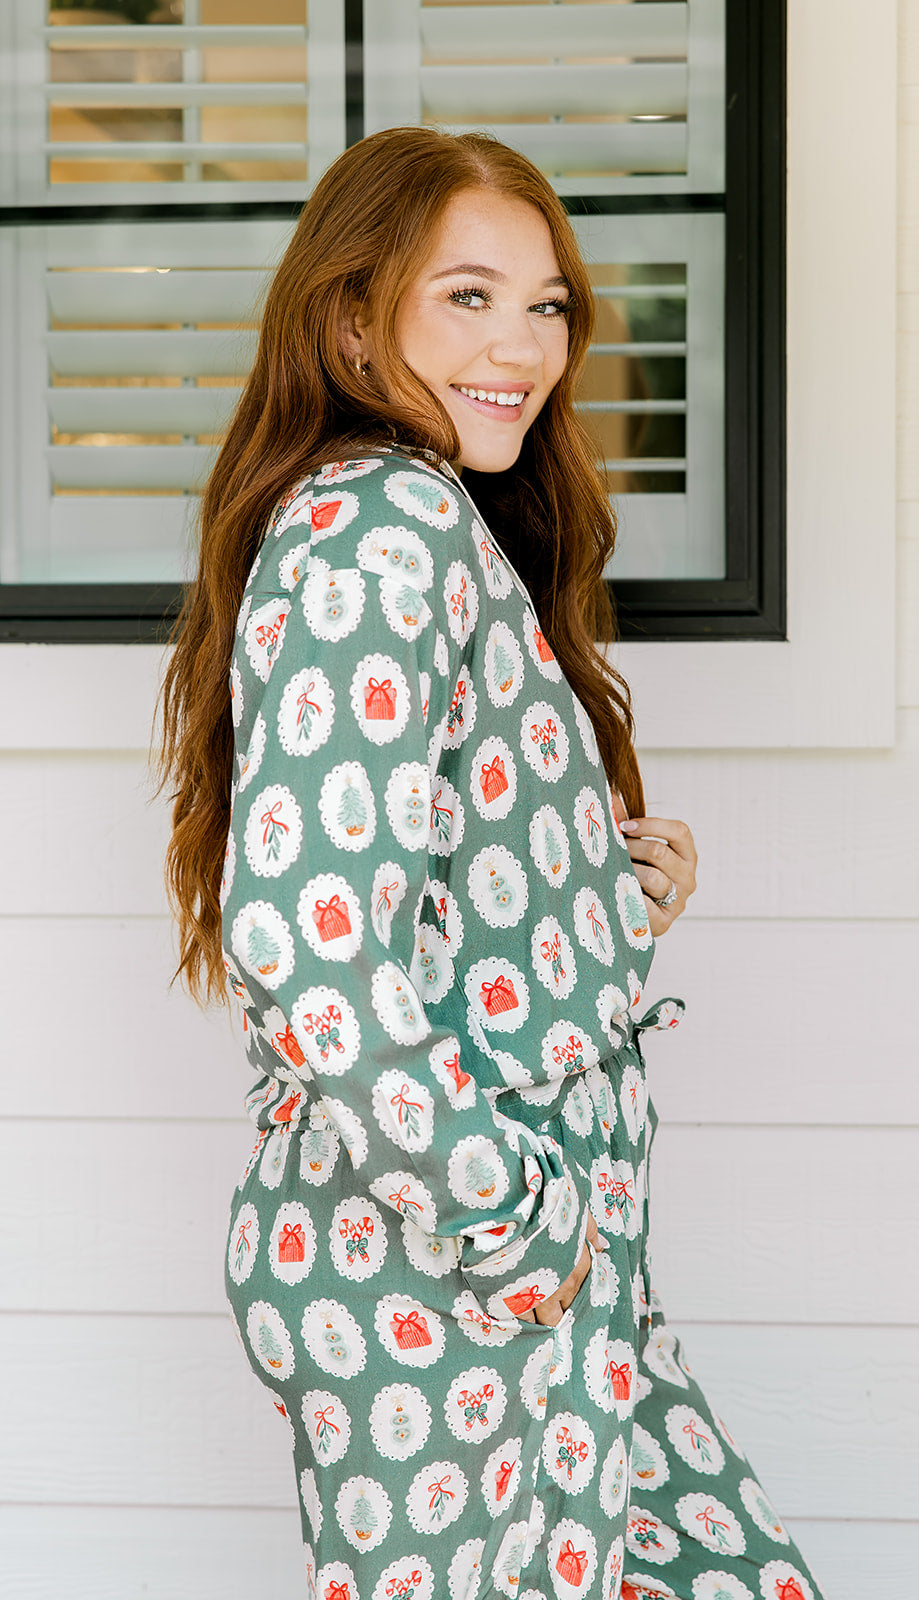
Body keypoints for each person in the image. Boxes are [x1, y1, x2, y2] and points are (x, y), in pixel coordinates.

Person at [158, 127, 826, 1600]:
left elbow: (428, 901)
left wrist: (604, 887)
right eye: (467, 296)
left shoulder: (430, 524)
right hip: (443, 1271)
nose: (521, 345)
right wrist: (505, 1210)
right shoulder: (377, 527)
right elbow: (305, 935)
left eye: (547, 304)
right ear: (352, 317)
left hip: (535, 1269)